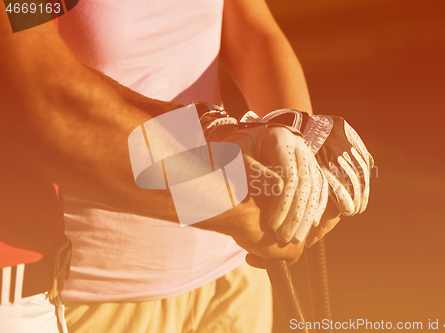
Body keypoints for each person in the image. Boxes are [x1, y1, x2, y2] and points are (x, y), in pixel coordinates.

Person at [0, 0, 342, 332]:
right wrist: (240, 206)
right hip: (105, 284)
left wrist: (297, 151)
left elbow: (253, 33)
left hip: (230, 270)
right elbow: (44, 93)